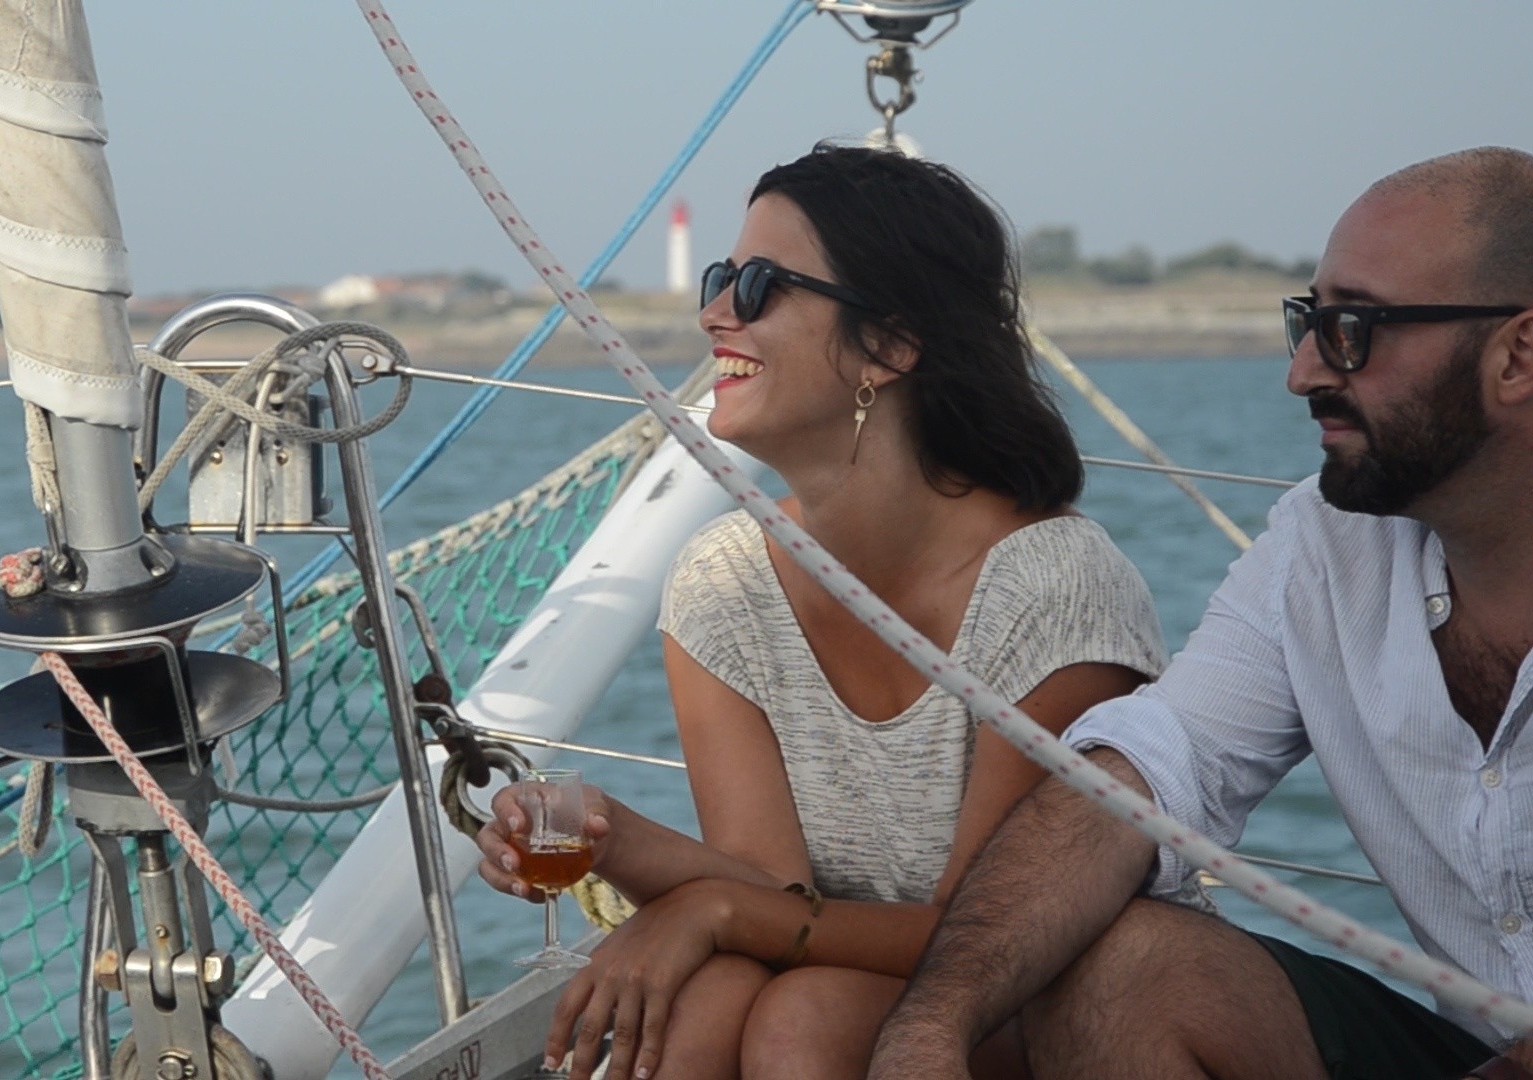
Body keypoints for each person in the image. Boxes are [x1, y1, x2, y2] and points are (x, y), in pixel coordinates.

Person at [474, 143, 1166, 1080]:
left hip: (1060, 1002)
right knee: (710, 1001)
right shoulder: (725, 582)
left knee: (804, 1017)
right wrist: (610, 837)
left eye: (759, 284)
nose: (714, 310)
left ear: (888, 343)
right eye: (721, 277)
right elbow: (777, 896)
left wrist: (707, 910)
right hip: (858, 982)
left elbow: (985, 941)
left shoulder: (1050, 590)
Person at [867, 144, 1533, 1080]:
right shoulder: (1326, 547)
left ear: (1517, 355)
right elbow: (1145, 773)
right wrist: (928, 1031)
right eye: (1306, 320)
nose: (1302, 372)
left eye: (1352, 327)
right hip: (1469, 1048)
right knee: (1118, 964)